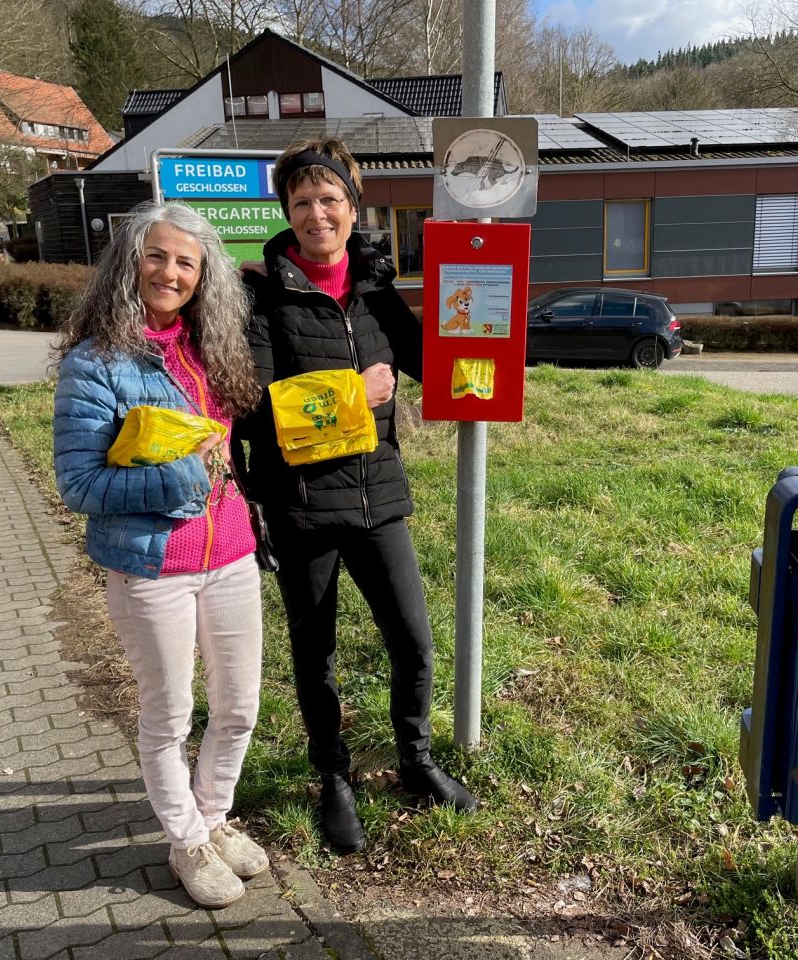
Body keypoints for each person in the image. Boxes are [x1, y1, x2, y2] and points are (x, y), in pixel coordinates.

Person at [239, 138, 476, 854]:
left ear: (352, 206)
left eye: (330, 199)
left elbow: (438, 361)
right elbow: (252, 407)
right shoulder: (261, 294)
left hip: (379, 500)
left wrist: (480, 290)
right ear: (286, 210)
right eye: (303, 201)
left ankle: (416, 761)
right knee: (317, 657)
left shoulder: (374, 291)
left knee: (414, 642)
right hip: (302, 504)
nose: (317, 214)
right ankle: (333, 776)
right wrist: (353, 392)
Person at [52, 201, 268, 908]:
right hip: (152, 567)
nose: (170, 272)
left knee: (238, 707)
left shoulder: (213, 346)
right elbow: (79, 482)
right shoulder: (97, 362)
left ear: (204, 277)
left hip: (231, 553)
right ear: (128, 263)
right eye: (156, 255)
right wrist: (185, 476)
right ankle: (186, 842)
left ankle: (213, 817)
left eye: (186, 261)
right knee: (169, 716)